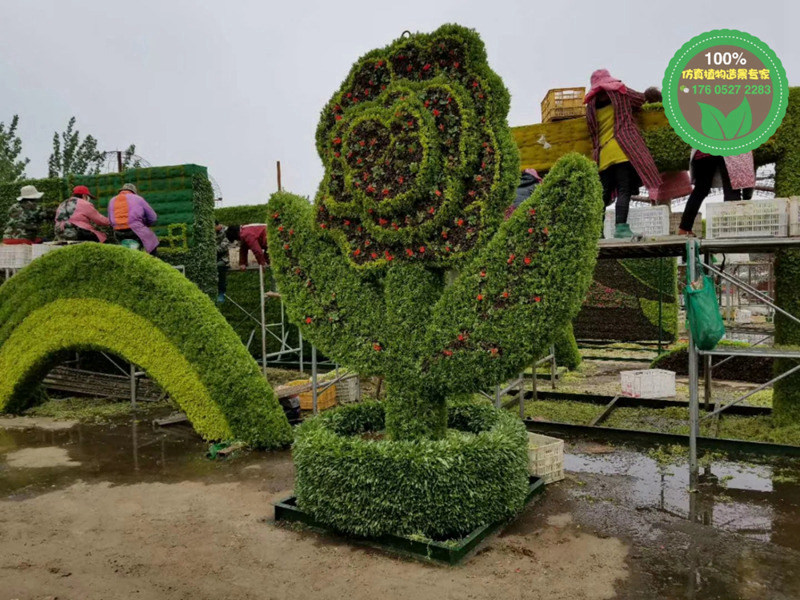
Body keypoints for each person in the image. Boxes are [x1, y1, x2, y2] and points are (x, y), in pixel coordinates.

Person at [584, 69, 661, 238]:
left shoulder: (590, 107)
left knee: (603, 194)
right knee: (623, 189)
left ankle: (597, 232)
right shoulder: (621, 93)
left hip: (603, 155)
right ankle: (621, 228)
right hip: (622, 150)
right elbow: (643, 99)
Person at [678, 151, 756, 236]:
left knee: (700, 190)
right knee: (732, 189)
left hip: (703, 151)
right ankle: (732, 229)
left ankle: (684, 228)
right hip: (729, 151)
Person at [108, 183, 159, 254]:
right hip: (135, 230)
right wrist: (147, 224)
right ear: (134, 192)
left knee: (124, 252)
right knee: (152, 242)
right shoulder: (138, 199)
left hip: (118, 232)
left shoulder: (112, 200)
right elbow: (153, 217)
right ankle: (153, 261)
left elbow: (110, 220)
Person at [215, 221, 230, 303]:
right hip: (212, 258)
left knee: (219, 266)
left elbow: (223, 247)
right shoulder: (209, 232)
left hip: (223, 258)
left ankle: (221, 292)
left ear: (218, 225)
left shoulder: (226, 231)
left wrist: (210, 249)